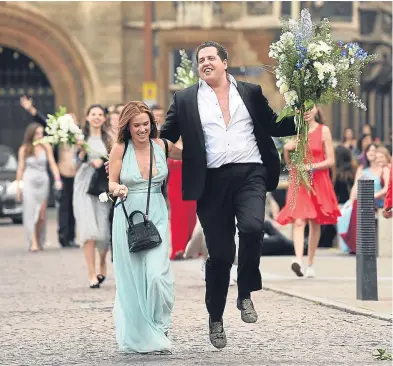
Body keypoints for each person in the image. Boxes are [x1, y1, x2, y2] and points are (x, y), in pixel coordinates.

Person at [159, 41, 297, 349]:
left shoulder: (250, 92)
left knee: (252, 228)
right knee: (220, 256)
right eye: (201, 60)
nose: (205, 63)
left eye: (211, 58)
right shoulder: (184, 99)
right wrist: (156, 151)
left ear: (224, 62)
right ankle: (215, 317)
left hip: (251, 173)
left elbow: (274, 124)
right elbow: (164, 137)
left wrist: (301, 117)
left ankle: (245, 292)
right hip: (211, 182)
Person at [109, 101, 182, 353]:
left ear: (152, 124)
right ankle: (141, 330)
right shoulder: (120, 148)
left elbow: (193, 152)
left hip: (157, 216)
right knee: (133, 280)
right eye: (136, 125)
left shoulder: (161, 146)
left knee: (157, 276)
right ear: (127, 127)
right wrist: (117, 188)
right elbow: (111, 182)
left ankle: (160, 326)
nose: (142, 129)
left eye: (146, 124)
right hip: (129, 217)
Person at [276, 106, 341, 278]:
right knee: (298, 221)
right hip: (300, 182)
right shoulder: (297, 131)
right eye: (303, 108)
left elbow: (331, 160)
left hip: (318, 180)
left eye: (310, 107)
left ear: (316, 109)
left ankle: (310, 262)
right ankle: (298, 260)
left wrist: (310, 166)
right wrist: (287, 150)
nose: (307, 111)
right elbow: (291, 165)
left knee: (314, 222)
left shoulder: (323, 130)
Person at [20, 96, 79, 248]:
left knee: (74, 206)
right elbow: (44, 123)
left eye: (74, 120)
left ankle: (72, 237)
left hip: (77, 174)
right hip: (63, 173)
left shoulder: (79, 137)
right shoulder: (58, 136)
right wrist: (31, 109)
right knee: (64, 206)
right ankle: (64, 237)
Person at [73, 104, 112, 288]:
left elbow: (116, 159)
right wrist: (81, 153)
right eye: (93, 114)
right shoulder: (80, 139)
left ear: (104, 118)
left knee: (103, 231)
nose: (97, 117)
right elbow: (73, 165)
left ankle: (102, 262)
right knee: (88, 229)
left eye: (100, 114)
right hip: (83, 186)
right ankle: (91, 274)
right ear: (87, 117)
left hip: (102, 188)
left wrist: (103, 160)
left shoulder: (109, 139)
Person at [15, 123, 62, 251]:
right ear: (31, 134)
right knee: (31, 213)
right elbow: (20, 168)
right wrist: (18, 186)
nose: (39, 136)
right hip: (29, 180)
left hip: (43, 181)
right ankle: (33, 242)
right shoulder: (24, 149)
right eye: (37, 133)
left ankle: (38, 238)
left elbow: (52, 164)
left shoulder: (46, 146)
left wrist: (57, 179)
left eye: (41, 133)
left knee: (41, 215)